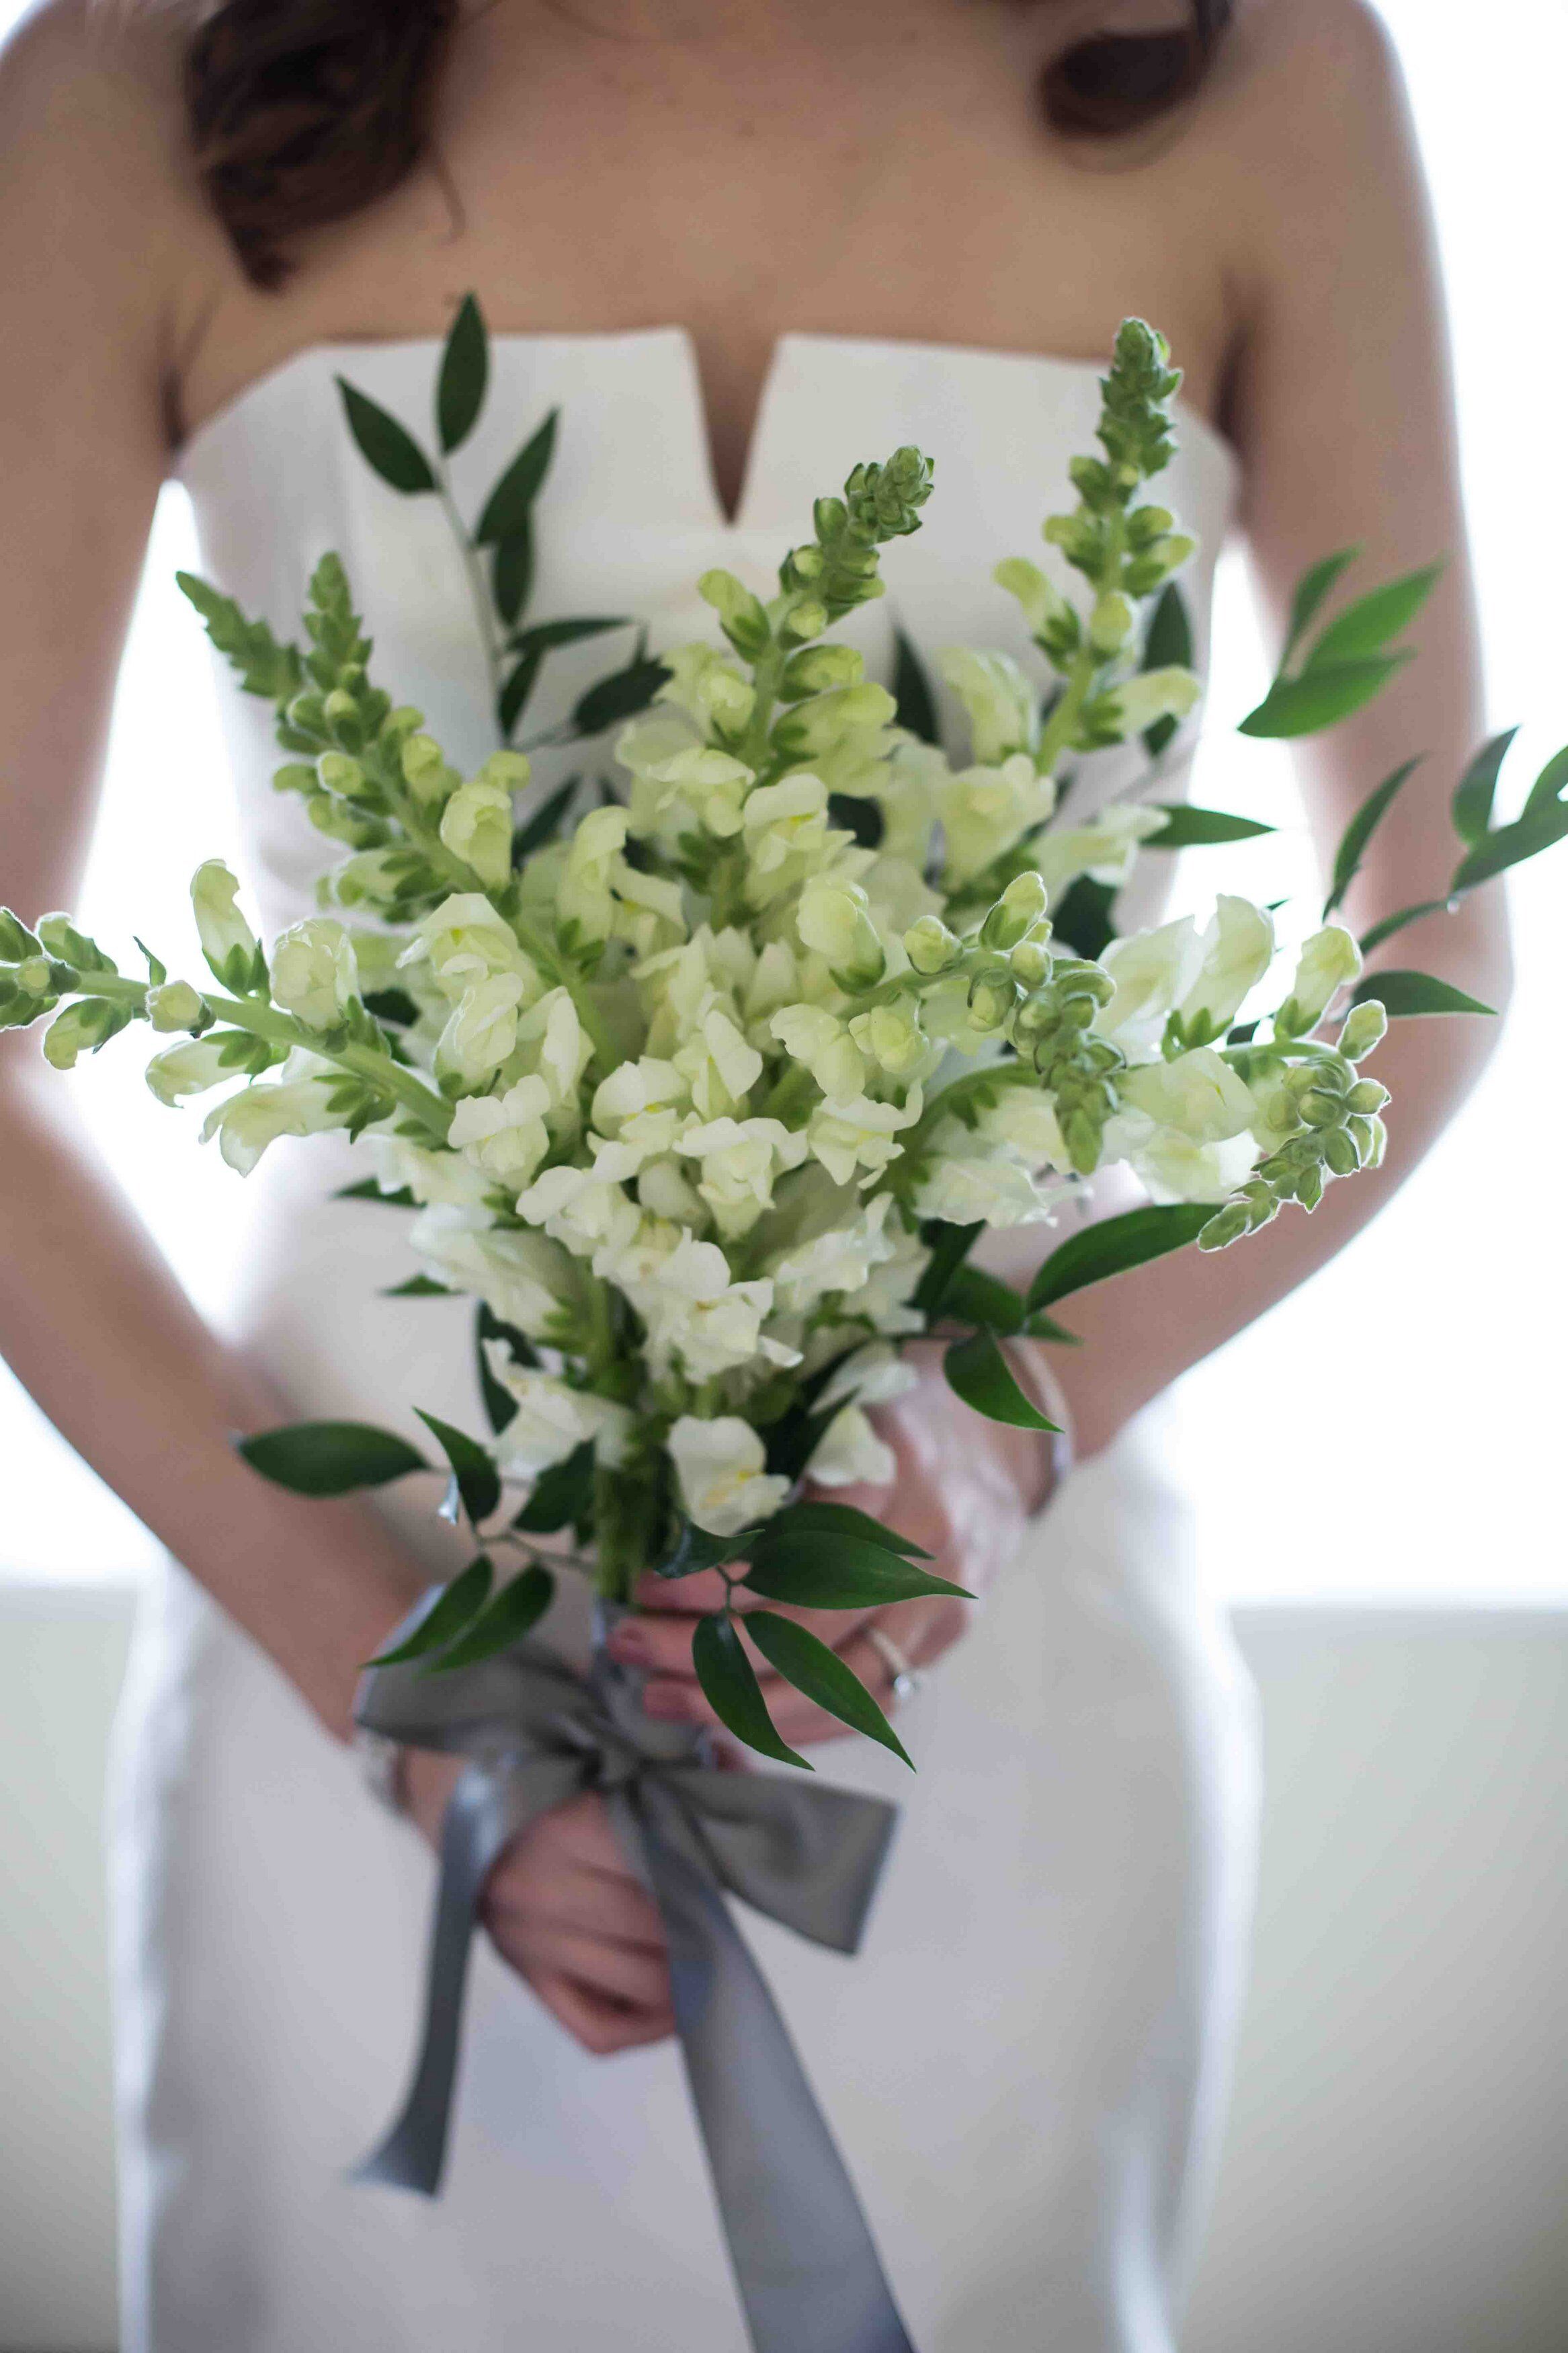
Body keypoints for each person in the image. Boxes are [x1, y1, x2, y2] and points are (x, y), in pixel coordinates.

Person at [0, 1, 1507, 2347]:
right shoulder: (129, 78)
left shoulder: (1258, 67)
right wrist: (402, 1695)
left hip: (988, 1673)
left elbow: (1419, 957)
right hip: (353, 1642)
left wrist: (997, 1439)